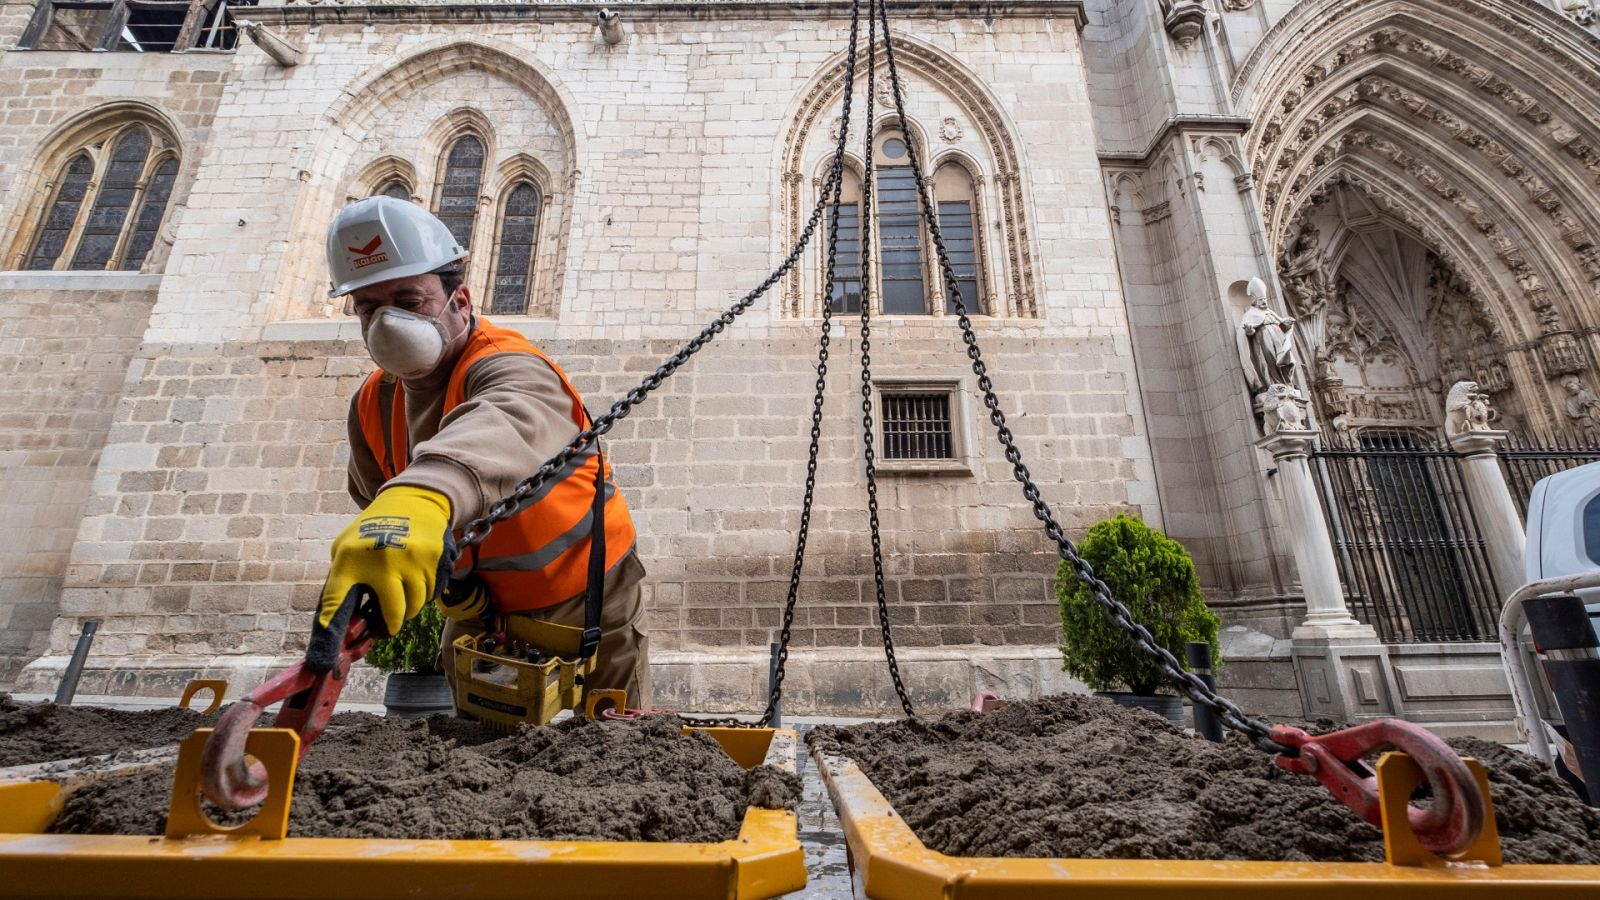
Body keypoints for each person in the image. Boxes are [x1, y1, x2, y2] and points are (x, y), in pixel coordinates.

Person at [309, 196, 650, 708]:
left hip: (587, 596)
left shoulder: (507, 362)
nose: (387, 322)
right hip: (477, 609)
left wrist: (422, 496)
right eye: (369, 308)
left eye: (408, 300)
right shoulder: (372, 404)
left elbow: (507, 417)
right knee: (469, 754)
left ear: (460, 301)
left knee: (619, 749)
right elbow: (377, 499)